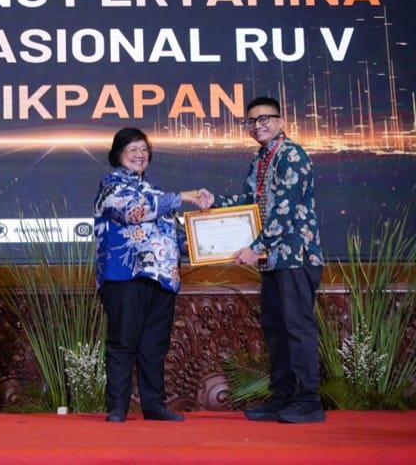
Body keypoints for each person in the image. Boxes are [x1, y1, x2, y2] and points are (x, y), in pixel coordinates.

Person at [203, 96, 325, 423]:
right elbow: (251, 203)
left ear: (281, 120)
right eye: (252, 121)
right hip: (273, 259)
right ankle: (282, 396)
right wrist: (215, 202)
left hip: (296, 256)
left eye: (265, 119)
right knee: (276, 329)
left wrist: (255, 246)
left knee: (297, 327)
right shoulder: (261, 159)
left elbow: (284, 211)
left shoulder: (291, 155)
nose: (258, 126)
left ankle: (308, 401)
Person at [94, 127, 209, 423]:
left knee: (154, 345)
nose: (139, 154)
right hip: (125, 275)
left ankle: (154, 405)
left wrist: (211, 244)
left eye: (144, 149)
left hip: (162, 278)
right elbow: (133, 211)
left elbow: (177, 237)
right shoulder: (111, 186)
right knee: (123, 341)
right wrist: (183, 196)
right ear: (118, 154)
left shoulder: (157, 193)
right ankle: (117, 407)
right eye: (132, 149)